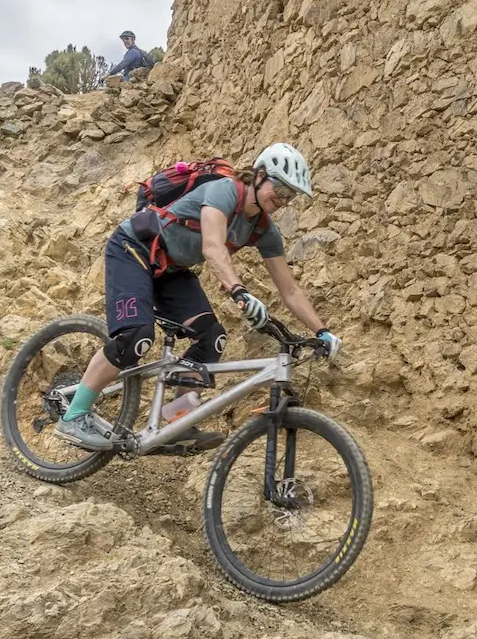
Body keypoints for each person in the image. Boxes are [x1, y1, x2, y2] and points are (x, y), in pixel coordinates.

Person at [56, 142, 341, 453]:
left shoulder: (264, 230)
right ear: (259, 175)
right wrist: (239, 291)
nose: (284, 200)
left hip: (172, 270)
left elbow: (290, 290)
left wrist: (321, 331)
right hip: (134, 249)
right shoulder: (224, 191)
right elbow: (213, 248)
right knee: (136, 337)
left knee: (212, 338)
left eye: (291, 195)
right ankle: (74, 415)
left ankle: (178, 422)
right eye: (281, 188)